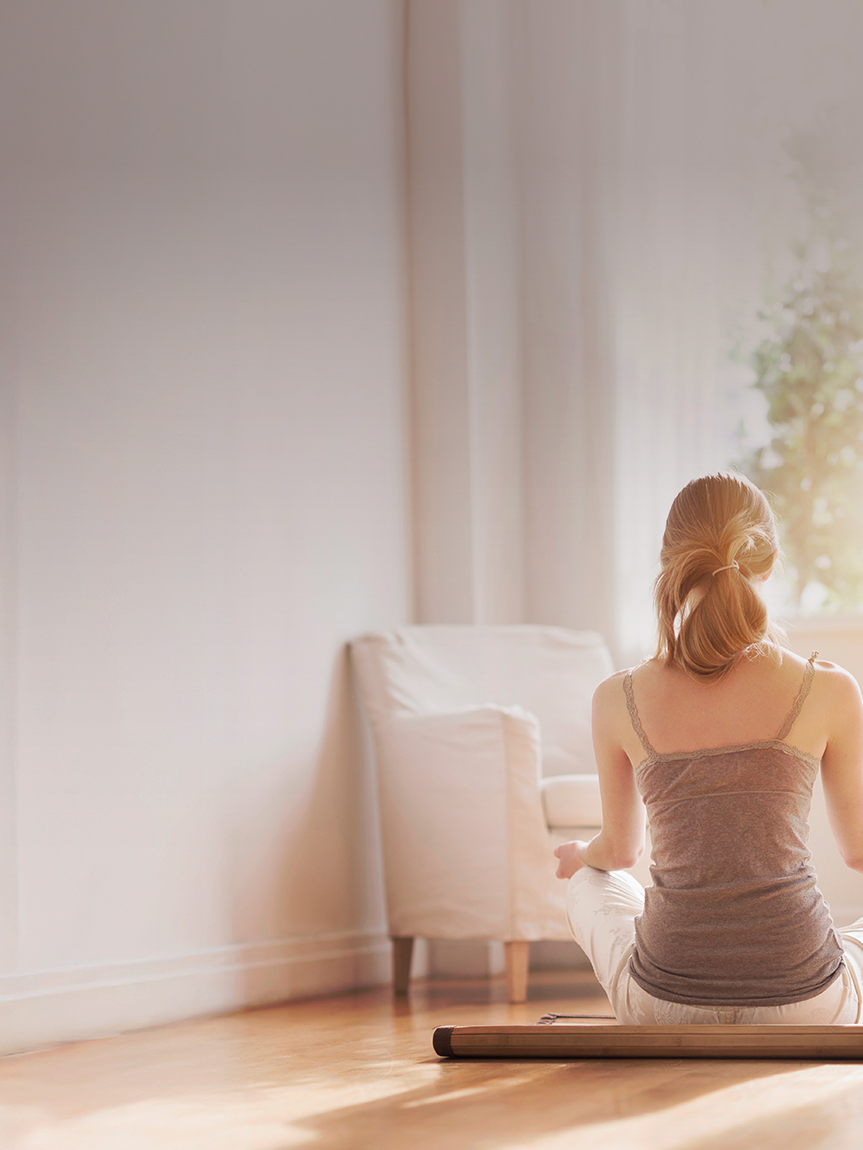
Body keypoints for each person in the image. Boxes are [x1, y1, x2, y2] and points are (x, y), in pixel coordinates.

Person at [554, 471, 863, 1024]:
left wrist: (580, 856)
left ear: (672, 565)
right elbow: (859, 852)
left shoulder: (615, 698)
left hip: (664, 1006)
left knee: (588, 881)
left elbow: (621, 854)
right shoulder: (830, 688)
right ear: (767, 563)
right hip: (810, 1005)